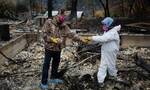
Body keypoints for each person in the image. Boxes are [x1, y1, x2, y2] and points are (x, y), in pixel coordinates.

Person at [40, 9, 81, 90]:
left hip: (58, 49)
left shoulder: (64, 25)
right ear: (58, 16)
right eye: (62, 16)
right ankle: (43, 82)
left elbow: (71, 34)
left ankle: (53, 78)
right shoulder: (49, 22)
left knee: (56, 64)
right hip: (49, 48)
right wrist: (52, 39)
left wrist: (81, 38)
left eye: (64, 17)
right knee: (46, 65)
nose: (63, 19)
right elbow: (43, 34)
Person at [81, 17, 121, 87]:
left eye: (105, 25)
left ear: (109, 25)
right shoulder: (108, 32)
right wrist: (91, 40)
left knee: (110, 64)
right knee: (104, 65)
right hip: (106, 51)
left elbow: (104, 39)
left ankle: (112, 76)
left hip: (111, 52)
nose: (103, 26)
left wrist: (91, 38)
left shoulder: (113, 32)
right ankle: (101, 80)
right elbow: (101, 39)